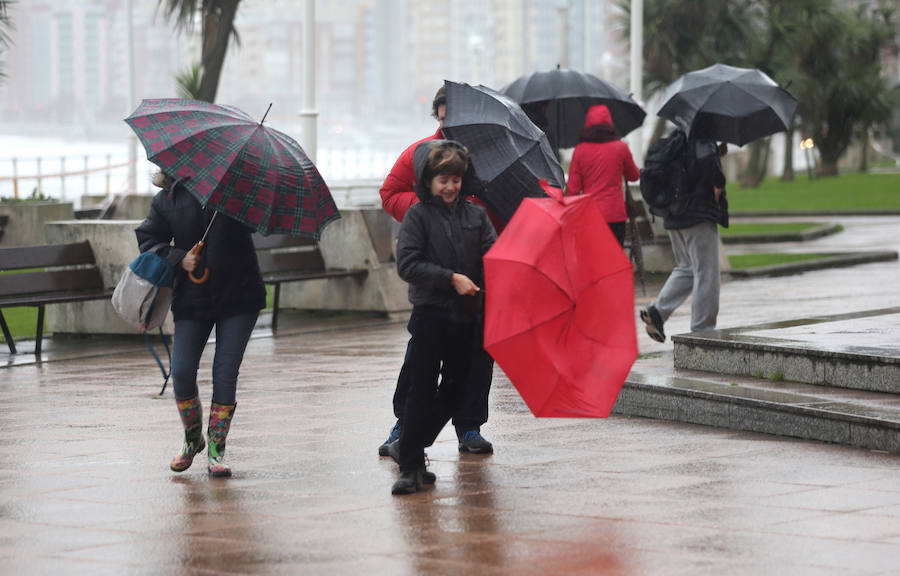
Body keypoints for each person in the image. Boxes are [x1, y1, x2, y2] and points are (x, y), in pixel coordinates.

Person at [378, 86, 497, 456]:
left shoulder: (490, 158)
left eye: (453, 119)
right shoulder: (420, 155)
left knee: (476, 360)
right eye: (442, 118)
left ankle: (470, 427)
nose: (447, 126)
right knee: (421, 361)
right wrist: (432, 203)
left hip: (478, 283)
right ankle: (405, 426)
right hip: (434, 287)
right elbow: (389, 193)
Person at [136, 171, 266, 477]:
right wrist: (180, 258)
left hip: (240, 295)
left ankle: (217, 450)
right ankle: (193, 438)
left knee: (225, 372)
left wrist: (239, 195)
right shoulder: (166, 200)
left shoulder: (235, 192)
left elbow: (255, 224)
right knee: (181, 371)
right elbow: (149, 241)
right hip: (192, 298)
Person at [391, 139, 497, 494]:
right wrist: (450, 278)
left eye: (455, 179)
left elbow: (492, 256)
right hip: (430, 315)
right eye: (442, 180)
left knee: (456, 389)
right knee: (420, 389)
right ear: (428, 181)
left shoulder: (476, 216)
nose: (450, 186)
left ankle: (412, 444)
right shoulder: (418, 216)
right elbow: (407, 264)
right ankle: (410, 466)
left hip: (466, 318)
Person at [640, 140, 729, 342]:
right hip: (698, 216)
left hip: (674, 216)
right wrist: (716, 160)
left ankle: (657, 311)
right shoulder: (703, 142)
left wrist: (716, 153)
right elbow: (715, 180)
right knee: (706, 273)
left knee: (688, 268)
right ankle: (703, 330)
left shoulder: (677, 140)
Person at [565, 104, 640, 247]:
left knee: (594, 260)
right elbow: (634, 176)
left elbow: (573, 190)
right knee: (615, 258)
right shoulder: (621, 147)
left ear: (588, 123)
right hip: (616, 215)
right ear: (609, 122)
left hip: (590, 216)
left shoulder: (580, 150)